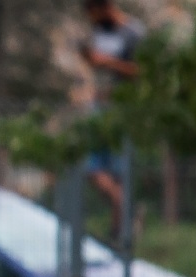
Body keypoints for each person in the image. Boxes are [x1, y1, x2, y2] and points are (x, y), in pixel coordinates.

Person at [80, 0, 144, 238]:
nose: (92, 20)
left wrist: (108, 62)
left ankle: (118, 232)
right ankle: (128, 211)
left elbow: (142, 70)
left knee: (119, 173)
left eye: (94, 14)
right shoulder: (98, 32)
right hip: (100, 107)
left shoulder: (133, 32)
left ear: (105, 8)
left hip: (123, 110)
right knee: (94, 170)